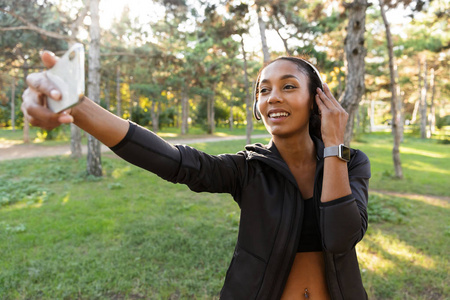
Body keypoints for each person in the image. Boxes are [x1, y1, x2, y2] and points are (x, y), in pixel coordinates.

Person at [22, 52, 371, 299]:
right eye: (263, 90)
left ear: (318, 100)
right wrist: (76, 107)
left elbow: (340, 237)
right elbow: (173, 161)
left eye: (289, 86)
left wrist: (334, 145)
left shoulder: (350, 163)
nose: (273, 97)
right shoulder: (247, 168)